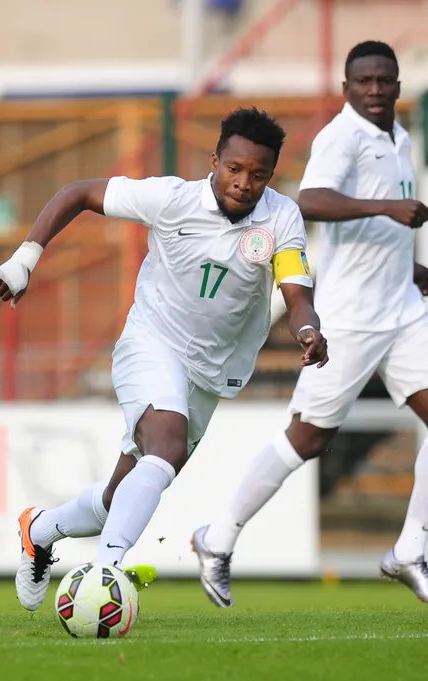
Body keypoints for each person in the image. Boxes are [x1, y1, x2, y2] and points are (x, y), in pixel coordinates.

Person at [0, 107, 329, 612]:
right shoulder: (171, 199)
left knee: (118, 497)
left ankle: (39, 530)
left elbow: (296, 291)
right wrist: (26, 259)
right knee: (165, 445)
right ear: (214, 160)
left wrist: (307, 328)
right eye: (234, 169)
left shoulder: (281, 217)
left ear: (270, 176)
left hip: (211, 373)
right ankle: (106, 574)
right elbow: (79, 193)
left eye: (257, 175)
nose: (243, 183)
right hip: (151, 343)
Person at [194, 41, 428, 606]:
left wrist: (411, 265)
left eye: (384, 80)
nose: (375, 90)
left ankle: (410, 550)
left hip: (402, 310)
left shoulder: (402, 140)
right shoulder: (340, 137)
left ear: (397, 86)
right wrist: (384, 208)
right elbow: (310, 200)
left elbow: (382, 235)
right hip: (347, 319)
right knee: (307, 438)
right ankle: (218, 536)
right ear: (347, 88)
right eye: (364, 81)